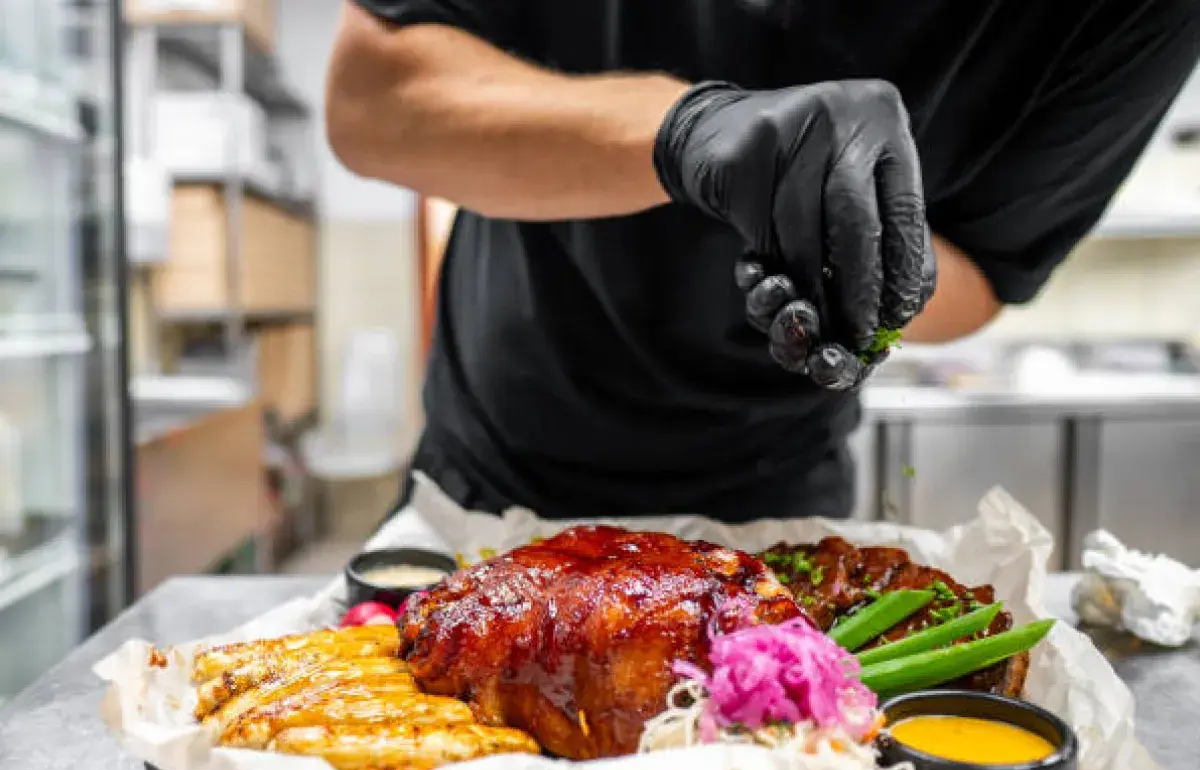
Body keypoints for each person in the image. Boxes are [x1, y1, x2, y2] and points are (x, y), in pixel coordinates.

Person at [327, 0, 1200, 524]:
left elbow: (983, 271)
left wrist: (861, 263)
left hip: (779, 505)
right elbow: (370, 101)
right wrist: (682, 132)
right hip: (485, 479)